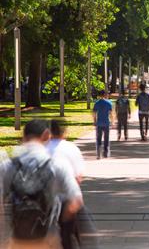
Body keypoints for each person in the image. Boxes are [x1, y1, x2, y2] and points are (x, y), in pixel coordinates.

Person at [1, 120, 83, 249]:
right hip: (48, 239)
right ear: (46, 135)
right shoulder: (57, 164)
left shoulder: (8, 165)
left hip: (18, 240)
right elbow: (75, 201)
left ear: (24, 137)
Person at [46, 120, 99, 249]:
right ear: (64, 132)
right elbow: (78, 176)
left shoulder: (43, 148)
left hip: (46, 200)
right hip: (68, 199)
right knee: (85, 233)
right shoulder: (71, 148)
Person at [93, 90, 113, 159]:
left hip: (99, 123)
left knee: (98, 139)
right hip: (106, 123)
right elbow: (111, 113)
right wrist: (112, 121)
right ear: (104, 94)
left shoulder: (96, 103)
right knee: (106, 138)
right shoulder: (109, 103)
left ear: (99, 95)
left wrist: (94, 121)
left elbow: (94, 113)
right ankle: (106, 153)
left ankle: (98, 154)